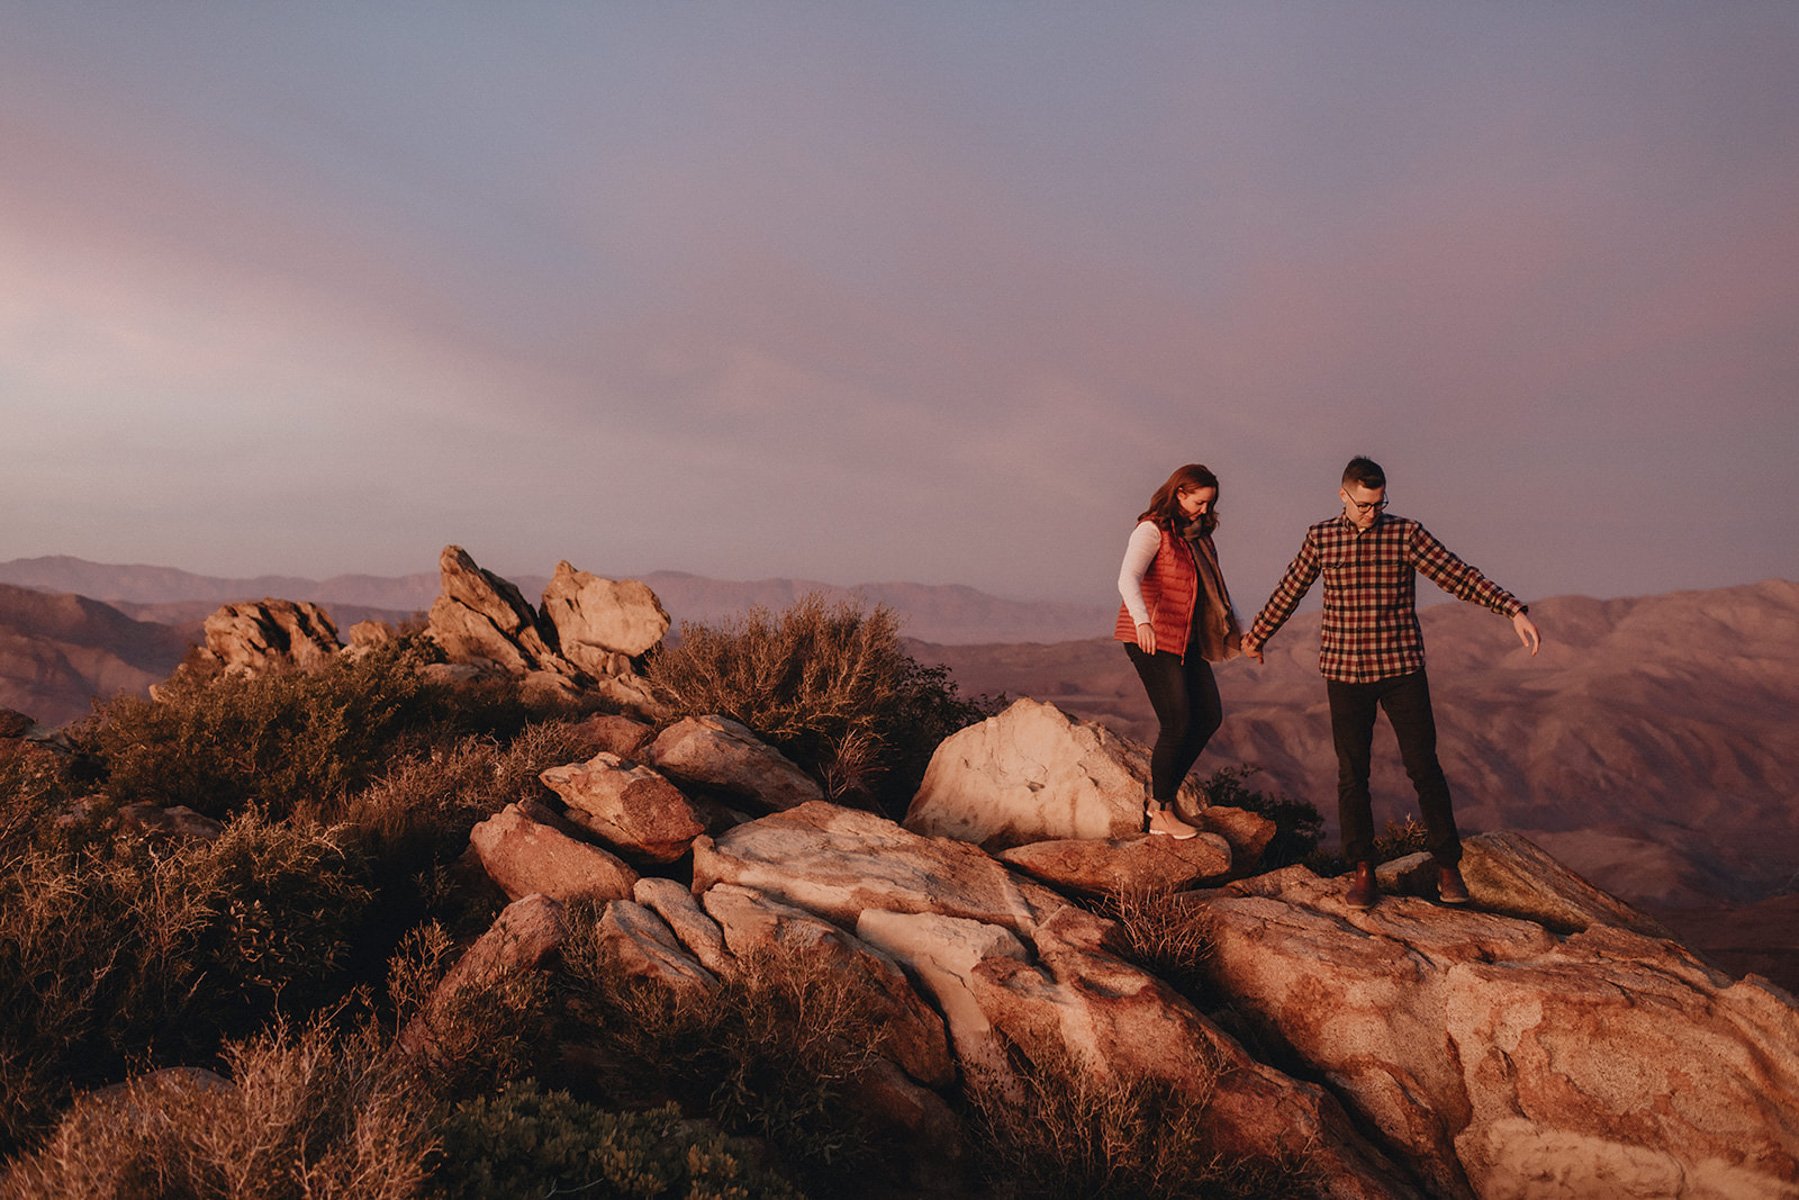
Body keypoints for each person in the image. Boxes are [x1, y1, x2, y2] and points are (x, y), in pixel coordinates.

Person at [1241, 456, 1541, 908]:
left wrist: (1512, 609)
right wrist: (1258, 635)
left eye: (1379, 504)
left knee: (1424, 767)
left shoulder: (1406, 534)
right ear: (1343, 496)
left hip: (1401, 669)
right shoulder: (1321, 537)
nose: (1372, 512)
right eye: (1364, 504)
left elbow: (1457, 575)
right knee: (1352, 774)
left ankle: (1447, 866)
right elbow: (1291, 588)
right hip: (1344, 671)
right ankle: (1363, 870)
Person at [1115, 464, 1243, 839]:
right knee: (1178, 720)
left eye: (1210, 504)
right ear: (1180, 493)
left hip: (1186, 639)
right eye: (1199, 502)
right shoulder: (1151, 530)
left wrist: (1241, 634)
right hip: (1151, 637)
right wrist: (1142, 621)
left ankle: (1164, 795)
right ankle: (1160, 810)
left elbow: (1219, 590)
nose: (1204, 511)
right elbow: (1127, 577)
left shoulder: (1199, 538)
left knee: (1209, 716)